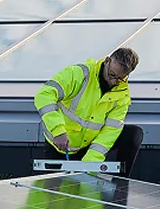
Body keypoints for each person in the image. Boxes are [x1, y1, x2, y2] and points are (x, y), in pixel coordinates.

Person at [32, 45, 143, 174]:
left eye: (120, 79)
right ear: (107, 61)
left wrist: (90, 165)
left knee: (134, 134)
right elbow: (44, 95)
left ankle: (121, 187)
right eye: (111, 75)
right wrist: (57, 131)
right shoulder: (80, 74)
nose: (113, 82)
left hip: (87, 148)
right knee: (53, 191)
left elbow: (109, 132)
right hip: (60, 145)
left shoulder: (122, 95)